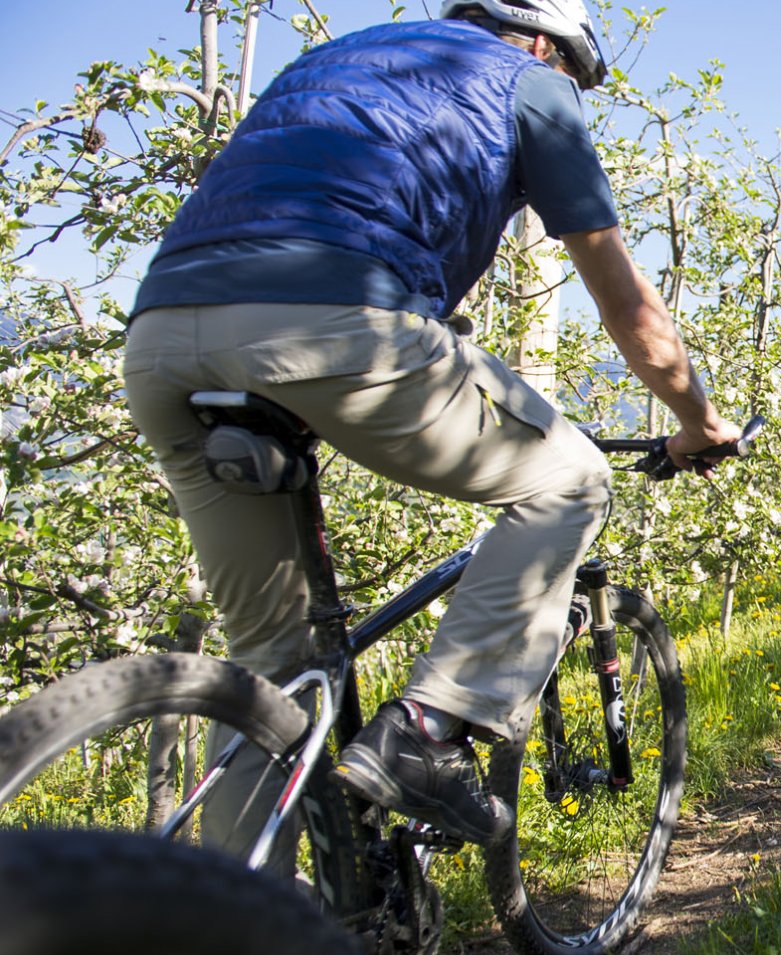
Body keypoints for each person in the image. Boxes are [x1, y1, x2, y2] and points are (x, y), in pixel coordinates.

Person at [121, 0, 740, 847]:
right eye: (576, 74)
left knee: (273, 666)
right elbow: (627, 304)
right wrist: (698, 420)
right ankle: (426, 734)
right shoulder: (531, 85)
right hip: (330, 324)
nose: (572, 91)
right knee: (572, 478)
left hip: (160, 337)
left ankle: (239, 919)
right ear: (539, 41)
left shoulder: (336, 62)